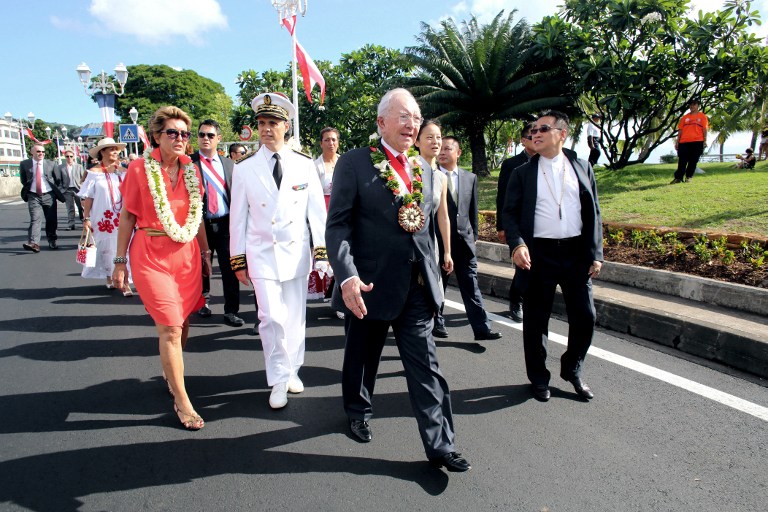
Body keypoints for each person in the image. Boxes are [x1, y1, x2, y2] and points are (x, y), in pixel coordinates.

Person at [326, 88, 471, 472]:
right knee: (362, 356)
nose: (412, 124)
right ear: (381, 123)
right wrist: (347, 276)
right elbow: (338, 225)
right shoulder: (355, 163)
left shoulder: (425, 169)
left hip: (416, 287)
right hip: (369, 286)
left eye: (417, 117)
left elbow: (423, 228)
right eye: (404, 116)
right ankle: (357, 410)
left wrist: (438, 266)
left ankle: (441, 445)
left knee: (426, 365)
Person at [111, 106, 212, 431]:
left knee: (182, 324)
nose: (181, 138)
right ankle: (182, 402)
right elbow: (127, 216)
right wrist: (119, 262)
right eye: (173, 133)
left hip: (186, 257)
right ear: (157, 136)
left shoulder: (192, 171)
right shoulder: (139, 169)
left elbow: (197, 218)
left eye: (185, 133)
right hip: (151, 253)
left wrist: (206, 252)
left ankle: (172, 374)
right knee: (168, 327)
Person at [229, 92, 328, 410]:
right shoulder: (244, 169)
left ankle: (293, 370)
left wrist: (321, 251)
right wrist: (238, 258)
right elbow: (238, 219)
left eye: (273, 122)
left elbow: (316, 213)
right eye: (261, 123)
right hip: (261, 253)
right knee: (270, 318)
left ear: (286, 126)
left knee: (295, 318)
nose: (266, 128)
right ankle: (278, 379)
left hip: (296, 252)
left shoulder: (303, 165)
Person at [502, 110, 603, 403]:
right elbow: (509, 213)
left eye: (543, 128)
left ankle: (572, 368)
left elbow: (594, 211)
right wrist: (517, 244)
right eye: (533, 129)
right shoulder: (522, 173)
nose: (535, 133)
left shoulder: (581, 166)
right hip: (539, 255)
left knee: (585, 316)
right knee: (536, 320)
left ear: (562, 133)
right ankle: (538, 378)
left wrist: (595, 253)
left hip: (575, 254)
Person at [432, 136, 502, 342]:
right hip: (439, 241)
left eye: (447, 149)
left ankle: (482, 329)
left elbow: (472, 211)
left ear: (458, 152)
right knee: (438, 284)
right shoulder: (431, 176)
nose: (442, 152)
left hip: (465, 243)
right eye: (440, 149)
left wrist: (475, 237)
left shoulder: (470, 178)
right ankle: (437, 322)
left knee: (471, 285)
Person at [192, 120, 243, 327]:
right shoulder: (188, 164)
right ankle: (202, 303)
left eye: (210, 135)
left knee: (229, 270)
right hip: (199, 225)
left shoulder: (230, 165)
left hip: (225, 225)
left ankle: (231, 310)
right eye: (202, 135)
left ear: (218, 139)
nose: (206, 138)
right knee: (200, 267)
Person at [79, 137, 133, 296]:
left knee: (125, 247)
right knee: (106, 248)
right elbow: (88, 197)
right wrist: (86, 218)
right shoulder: (93, 173)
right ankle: (109, 275)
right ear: (102, 152)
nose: (115, 152)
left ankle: (126, 282)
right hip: (102, 217)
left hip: (123, 215)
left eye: (117, 149)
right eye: (111, 149)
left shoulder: (124, 172)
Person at [496, 123, 535, 323]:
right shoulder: (512, 164)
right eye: (531, 135)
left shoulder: (546, 161)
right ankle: (516, 300)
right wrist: (501, 226)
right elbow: (502, 197)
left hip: (538, 226)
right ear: (523, 140)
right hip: (517, 225)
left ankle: (525, 299)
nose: (536, 138)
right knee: (523, 266)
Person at [414, 119, 454, 313]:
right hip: (409, 244)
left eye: (438, 137)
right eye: (429, 137)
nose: (435, 142)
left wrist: (447, 251)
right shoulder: (409, 168)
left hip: (430, 244)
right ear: (417, 141)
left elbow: (443, 216)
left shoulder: (441, 177)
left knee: (429, 292)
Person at [310, 126, 342, 315]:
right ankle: (331, 292)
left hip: (342, 215)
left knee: (342, 257)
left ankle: (340, 298)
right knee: (326, 259)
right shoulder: (315, 166)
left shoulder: (345, 162)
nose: (331, 143)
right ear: (321, 143)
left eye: (334, 139)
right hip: (322, 216)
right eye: (327, 140)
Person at [19, 143, 67, 252]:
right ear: (32, 152)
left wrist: (56, 193)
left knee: (51, 220)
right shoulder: (24, 164)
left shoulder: (51, 164)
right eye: (38, 151)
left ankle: (52, 240)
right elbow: (23, 180)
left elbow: (58, 180)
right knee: (35, 219)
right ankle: (34, 243)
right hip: (33, 195)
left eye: (43, 151)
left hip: (49, 195)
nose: (41, 153)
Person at [671, 99, 708, 184]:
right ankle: (678, 178)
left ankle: (689, 177)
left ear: (698, 105)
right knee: (682, 161)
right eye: (690, 105)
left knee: (693, 160)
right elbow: (680, 130)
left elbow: (704, 129)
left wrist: (705, 140)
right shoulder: (684, 117)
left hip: (697, 141)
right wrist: (677, 141)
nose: (692, 106)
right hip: (684, 142)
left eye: (694, 104)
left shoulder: (702, 116)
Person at [59, 149, 85, 230]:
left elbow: (83, 178)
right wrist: (61, 189)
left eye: (71, 156)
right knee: (70, 208)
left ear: (74, 157)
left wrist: (83, 188)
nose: (69, 158)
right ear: (65, 157)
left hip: (78, 189)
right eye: (67, 156)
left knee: (81, 207)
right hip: (67, 190)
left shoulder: (79, 166)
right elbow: (59, 179)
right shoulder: (61, 167)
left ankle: (83, 221)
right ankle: (71, 224)